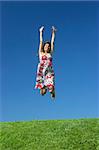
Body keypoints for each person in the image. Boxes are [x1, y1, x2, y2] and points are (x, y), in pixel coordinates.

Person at [35, 26, 56, 99]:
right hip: (41, 70)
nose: (47, 47)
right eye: (46, 46)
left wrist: (53, 33)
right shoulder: (41, 53)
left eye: (48, 46)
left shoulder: (50, 53)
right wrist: (40, 32)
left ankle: (53, 91)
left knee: (51, 86)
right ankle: (45, 88)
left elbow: (52, 42)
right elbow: (41, 41)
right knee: (42, 93)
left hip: (49, 70)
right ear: (44, 47)